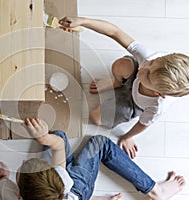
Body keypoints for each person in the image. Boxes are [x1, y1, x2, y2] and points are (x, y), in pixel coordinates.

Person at [58, 16, 189, 159]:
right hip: (132, 82)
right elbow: (115, 32)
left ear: (159, 93)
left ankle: (120, 89)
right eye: (152, 63)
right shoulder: (149, 60)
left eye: (148, 75)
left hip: (134, 104)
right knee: (122, 64)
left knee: (95, 118)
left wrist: (128, 137)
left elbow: (143, 124)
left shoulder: (156, 107)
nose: (143, 68)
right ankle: (116, 83)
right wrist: (83, 21)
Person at [0, 118, 185, 200]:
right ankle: (155, 190)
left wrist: (3, 176)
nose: (20, 164)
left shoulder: (8, 193)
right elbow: (57, 146)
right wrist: (43, 138)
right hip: (78, 189)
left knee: (59, 134)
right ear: (56, 174)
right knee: (100, 143)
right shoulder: (63, 179)